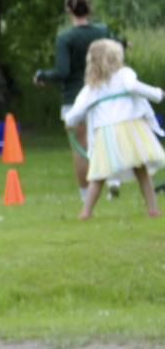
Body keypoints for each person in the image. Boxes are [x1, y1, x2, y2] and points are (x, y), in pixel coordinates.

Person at [64, 39, 163, 220]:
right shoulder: (124, 74)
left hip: (107, 134)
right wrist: (158, 94)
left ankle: (86, 211)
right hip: (131, 129)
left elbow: (78, 109)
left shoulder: (93, 85)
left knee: (99, 174)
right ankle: (152, 208)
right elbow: (134, 86)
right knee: (140, 169)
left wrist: (69, 121)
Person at [36, 0, 117, 196]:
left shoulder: (66, 38)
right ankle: (111, 185)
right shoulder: (102, 31)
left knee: (80, 148)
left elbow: (63, 71)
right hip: (102, 95)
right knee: (102, 144)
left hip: (75, 98)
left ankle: (85, 195)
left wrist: (42, 75)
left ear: (69, 11)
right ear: (89, 9)